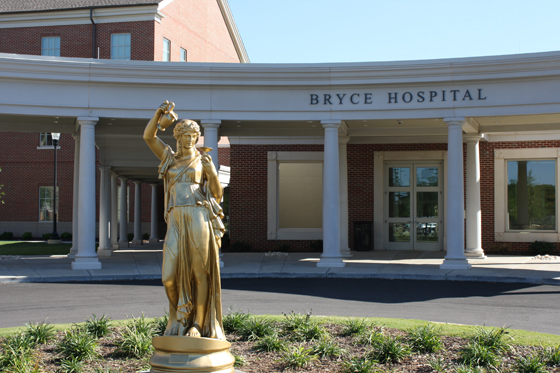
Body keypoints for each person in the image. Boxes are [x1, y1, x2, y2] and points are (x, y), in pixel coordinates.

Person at [143, 101, 225, 339]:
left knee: (201, 272)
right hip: (176, 217)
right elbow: (149, 137)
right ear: (177, 137)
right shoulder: (169, 158)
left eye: (193, 135)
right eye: (185, 135)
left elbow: (217, 195)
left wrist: (212, 174)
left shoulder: (203, 161)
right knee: (168, 277)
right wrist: (159, 114)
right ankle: (180, 317)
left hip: (198, 214)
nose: (189, 139)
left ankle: (197, 325)